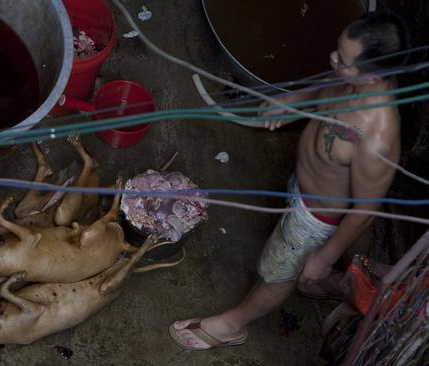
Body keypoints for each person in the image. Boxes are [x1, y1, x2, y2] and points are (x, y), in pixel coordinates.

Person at [169, 10, 411, 350]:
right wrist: (291, 99)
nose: (333, 59)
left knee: (275, 272)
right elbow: (328, 83)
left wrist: (325, 254)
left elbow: (366, 211)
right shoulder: (354, 77)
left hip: (314, 217)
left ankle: (232, 326)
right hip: (304, 186)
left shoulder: (378, 137)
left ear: (373, 77)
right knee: (300, 267)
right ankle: (332, 283)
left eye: (343, 59)